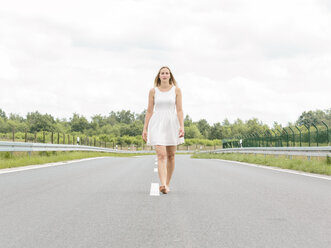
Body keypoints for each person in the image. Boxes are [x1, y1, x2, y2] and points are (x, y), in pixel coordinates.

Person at [142, 66, 185, 194]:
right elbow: (149, 111)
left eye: (167, 73)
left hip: (172, 123)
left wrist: (182, 126)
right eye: (162, 73)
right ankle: (163, 184)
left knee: (171, 155)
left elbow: (179, 110)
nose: (165, 75)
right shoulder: (153, 91)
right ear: (159, 76)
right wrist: (145, 129)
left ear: (170, 76)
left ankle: (167, 183)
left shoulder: (176, 90)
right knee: (161, 155)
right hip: (157, 124)